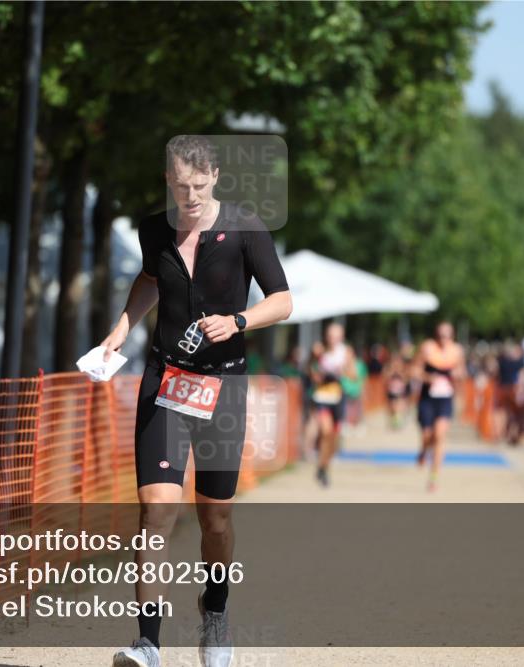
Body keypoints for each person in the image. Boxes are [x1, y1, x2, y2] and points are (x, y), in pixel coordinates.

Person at [102, 135, 292, 667]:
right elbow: (147, 280)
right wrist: (120, 329)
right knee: (156, 512)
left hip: (224, 387)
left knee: (216, 521)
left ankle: (215, 612)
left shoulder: (245, 228)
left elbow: (282, 300)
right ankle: (148, 645)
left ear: (216, 180)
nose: (191, 197)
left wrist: (238, 322)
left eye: (200, 187)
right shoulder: (154, 229)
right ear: (168, 180)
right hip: (166, 382)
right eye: (182, 186)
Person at [414, 321, 465, 491]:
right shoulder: (427, 348)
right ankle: (423, 450)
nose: (443, 338)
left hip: (445, 398)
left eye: (447, 335)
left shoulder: (457, 351)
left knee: (440, 435)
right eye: (441, 335)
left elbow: (462, 373)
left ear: (452, 336)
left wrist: (459, 378)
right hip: (428, 398)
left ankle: (433, 478)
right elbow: (414, 369)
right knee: (428, 436)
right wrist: (428, 377)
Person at [312, 322, 349, 486]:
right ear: (327, 337)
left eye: (337, 336)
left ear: (341, 337)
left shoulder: (346, 352)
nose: (333, 339)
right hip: (322, 397)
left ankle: (323, 467)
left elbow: (355, 374)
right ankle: (321, 461)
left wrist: (343, 372)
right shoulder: (319, 351)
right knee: (326, 431)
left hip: (338, 398)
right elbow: (311, 371)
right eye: (331, 336)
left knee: (333, 438)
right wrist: (319, 374)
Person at [497, 339, 524, 444]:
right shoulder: (507, 361)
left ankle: (510, 434)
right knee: (508, 413)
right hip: (508, 389)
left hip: (512, 389)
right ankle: (504, 433)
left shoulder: (518, 362)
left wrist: (520, 390)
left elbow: (522, 377)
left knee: (512, 415)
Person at [340, 343, 368, 429]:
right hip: (345, 391)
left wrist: (363, 390)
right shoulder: (341, 365)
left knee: (357, 409)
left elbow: (362, 378)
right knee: (346, 409)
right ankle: (347, 424)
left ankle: (357, 424)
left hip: (356, 391)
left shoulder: (359, 364)